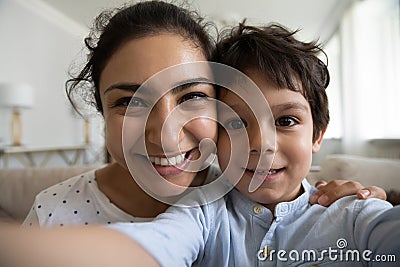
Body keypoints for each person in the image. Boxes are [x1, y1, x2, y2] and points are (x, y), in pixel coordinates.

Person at [1, 21, 398, 267]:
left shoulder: (356, 213)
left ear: (318, 134)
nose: (259, 143)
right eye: (237, 122)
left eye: (287, 120)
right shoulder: (206, 211)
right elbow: (153, 247)